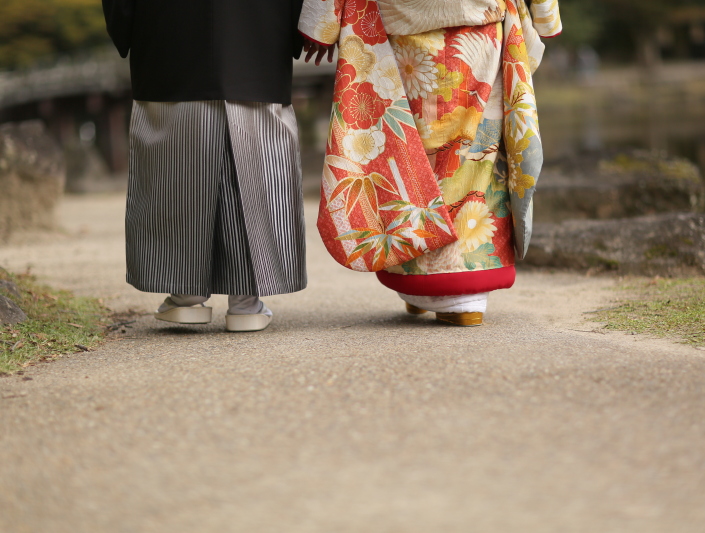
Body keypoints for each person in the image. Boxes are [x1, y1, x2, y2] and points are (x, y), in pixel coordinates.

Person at [299, 0, 561, 326]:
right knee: (477, 152)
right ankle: (466, 296)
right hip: (481, 26)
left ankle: (420, 285)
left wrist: (321, 22)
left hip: (401, 24)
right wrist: (545, 16)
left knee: (408, 151)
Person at [102, 0, 307, 332]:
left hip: (170, 34)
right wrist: (308, 26)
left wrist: (125, 23)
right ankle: (246, 299)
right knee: (258, 159)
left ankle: (185, 293)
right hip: (258, 34)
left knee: (174, 164)